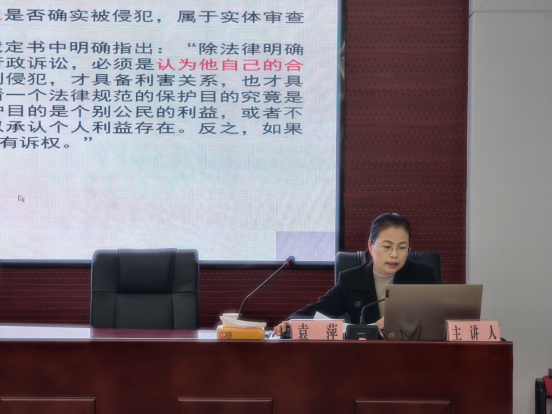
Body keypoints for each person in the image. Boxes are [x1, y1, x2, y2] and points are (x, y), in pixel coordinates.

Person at [274, 213, 436, 335]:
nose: (395, 254)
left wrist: (400, 320)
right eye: (387, 247)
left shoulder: (422, 275)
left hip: (411, 354)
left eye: (402, 247)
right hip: (364, 356)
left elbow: (438, 317)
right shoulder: (351, 280)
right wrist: (292, 322)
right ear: (371, 246)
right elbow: (319, 309)